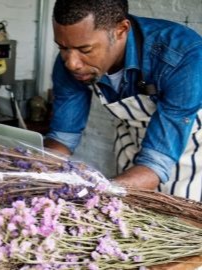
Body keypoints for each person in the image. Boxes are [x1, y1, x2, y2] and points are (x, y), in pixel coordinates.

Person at [45, 0, 202, 200]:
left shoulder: (181, 55)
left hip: (188, 144)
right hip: (132, 134)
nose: (72, 63)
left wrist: (94, 195)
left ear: (121, 30)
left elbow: (155, 163)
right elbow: (63, 136)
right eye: (62, 48)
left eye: (85, 50)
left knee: (178, 219)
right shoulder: (70, 59)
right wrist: (41, 172)